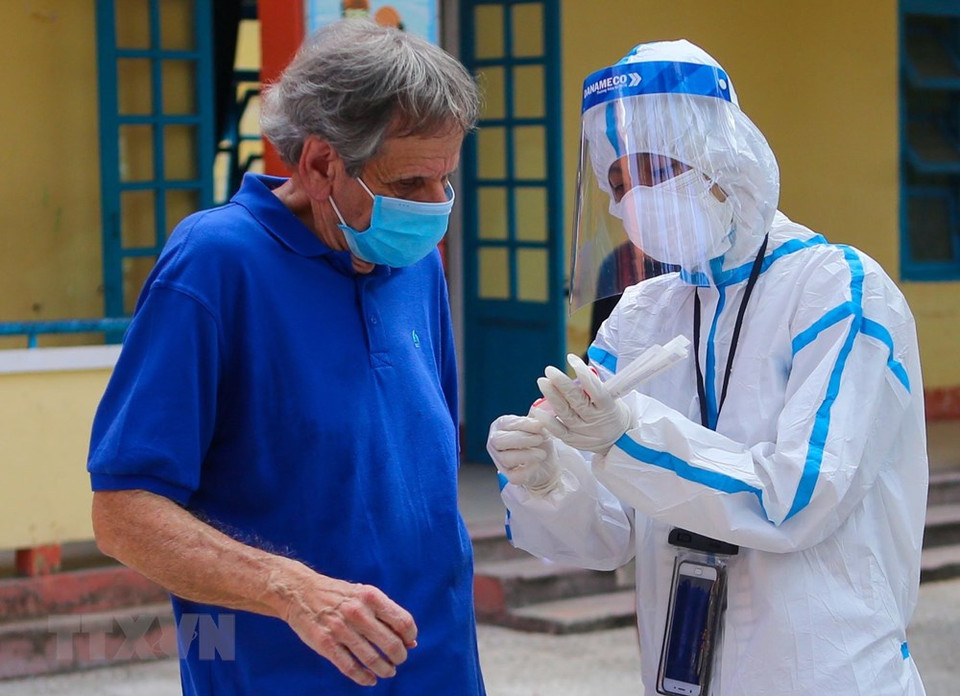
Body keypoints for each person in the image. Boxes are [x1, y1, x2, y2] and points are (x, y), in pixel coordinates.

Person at [487, 39, 927, 695]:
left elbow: (800, 498)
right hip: (683, 669)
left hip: (824, 672)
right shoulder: (640, 314)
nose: (633, 200)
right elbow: (605, 539)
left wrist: (628, 435)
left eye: (655, 172)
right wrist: (549, 480)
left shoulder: (838, 291)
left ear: (720, 157)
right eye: (617, 184)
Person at [88, 19, 484, 695]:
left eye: (445, 181)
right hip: (279, 676)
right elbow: (123, 511)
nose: (434, 207)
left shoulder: (414, 264)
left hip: (440, 671)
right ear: (321, 163)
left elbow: (424, 472)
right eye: (411, 183)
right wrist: (290, 588)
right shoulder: (215, 264)